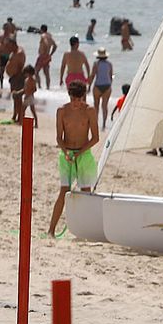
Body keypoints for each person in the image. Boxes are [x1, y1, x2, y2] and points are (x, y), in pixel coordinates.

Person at [48, 81, 99, 235]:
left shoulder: (89, 111)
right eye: (73, 99)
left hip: (84, 155)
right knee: (64, 191)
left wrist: (79, 153)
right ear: (69, 96)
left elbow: (95, 138)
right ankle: (51, 230)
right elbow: (59, 137)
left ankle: (87, 231)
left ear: (83, 96)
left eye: (79, 99)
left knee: (85, 192)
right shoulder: (62, 111)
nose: (76, 103)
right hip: (67, 155)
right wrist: (66, 152)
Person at [91, 47, 114, 126]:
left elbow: (93, 75)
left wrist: (88, 86)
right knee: (104, 106)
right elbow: (110, 76)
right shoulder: (109, 64)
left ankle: (96, 123)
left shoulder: (96, 64)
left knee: (96, 105)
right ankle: (104, 124)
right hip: (107, 85)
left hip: (98, 85)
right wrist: (110, 85)